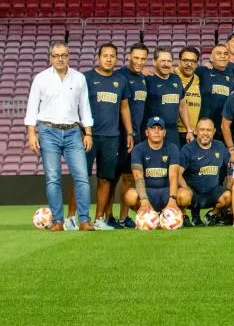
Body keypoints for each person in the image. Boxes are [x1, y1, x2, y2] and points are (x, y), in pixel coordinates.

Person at [25, 41, 95, 231]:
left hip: (73, 132)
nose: (60, 59)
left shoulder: (79, 78)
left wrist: (88, 132)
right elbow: (32, 107)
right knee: (53, 178)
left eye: (64, 55)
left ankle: (84, 220)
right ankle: (57, 221)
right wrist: (32, 133)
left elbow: (85, 107)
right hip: (48, 131)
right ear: (50, 57)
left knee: (81, 177)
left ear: (69, 56)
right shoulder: (40, 79)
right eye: (56, 55)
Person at [81, 43, 133, 230]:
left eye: (113, 56)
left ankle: (99, 219)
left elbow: (124, 107)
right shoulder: (86, 78)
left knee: (106, 179)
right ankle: (73, 217)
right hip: (88, 136)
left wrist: (129, 132)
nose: (109, 59)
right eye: (105, 55)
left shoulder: (120, 81)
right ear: (98, 57)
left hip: (111, 137)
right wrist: (81, 130)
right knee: (81, 177)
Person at [112, 43, 149, 228]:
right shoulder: (120, 76)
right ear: (129, 57)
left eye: (143, 59)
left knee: (128, 177)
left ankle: (123, 217)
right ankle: (106, 216)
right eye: (136, 58)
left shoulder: (143, 78)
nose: (140, 62)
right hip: (119, 135)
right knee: (112, 177)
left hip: (136, 136)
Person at [123, 117, 191, 216]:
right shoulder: (138, 149)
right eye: (153, 128)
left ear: (164, 132)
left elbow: (173, 176)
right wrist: (144, 199)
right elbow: (138, 177)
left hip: (166, 191)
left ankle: (175, 214)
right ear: (146, 132)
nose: (156, 131)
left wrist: (172, 199)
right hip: (148, 191)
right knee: (130, 196)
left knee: (186, 195)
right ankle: (146, 215)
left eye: (160, 129)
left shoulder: (172, 148)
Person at [178, 117, 231, 226]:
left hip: (211, 193)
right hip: (193, 194)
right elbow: (177, 174)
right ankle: (186, 216)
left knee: (230, 195)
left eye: (208, 130)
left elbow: (230, 167)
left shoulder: (220, 147)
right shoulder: (187, 149)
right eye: (202, 130)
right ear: (196, 131)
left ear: (214, 131)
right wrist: (186, 189)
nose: (205, 133)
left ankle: (212, 215)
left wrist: (231, 184)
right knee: (183, 196)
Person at [144, 46, 193, 148]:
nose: (166, 64)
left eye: (169, 61)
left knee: (174, 162)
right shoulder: (147, 80)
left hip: (172, 132)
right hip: (154, 131)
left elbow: (182, 107)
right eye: (162, 61)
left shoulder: (176, 79)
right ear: (154, 62)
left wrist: (189, 129)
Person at [195, 44, 234, 141]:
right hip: (204, 128)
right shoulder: (203, 71)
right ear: (211, 58)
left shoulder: (232, 73)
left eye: (226, 54)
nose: (222, 56)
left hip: (223, 128)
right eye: (219, 53)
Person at [175, 46, 202, 146]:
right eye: (185, 60)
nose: (189, 64)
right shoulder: (170, 76)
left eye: (193, 61)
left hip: (194, 132)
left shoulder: (199, 79)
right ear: (179, 61)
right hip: (175, 132)